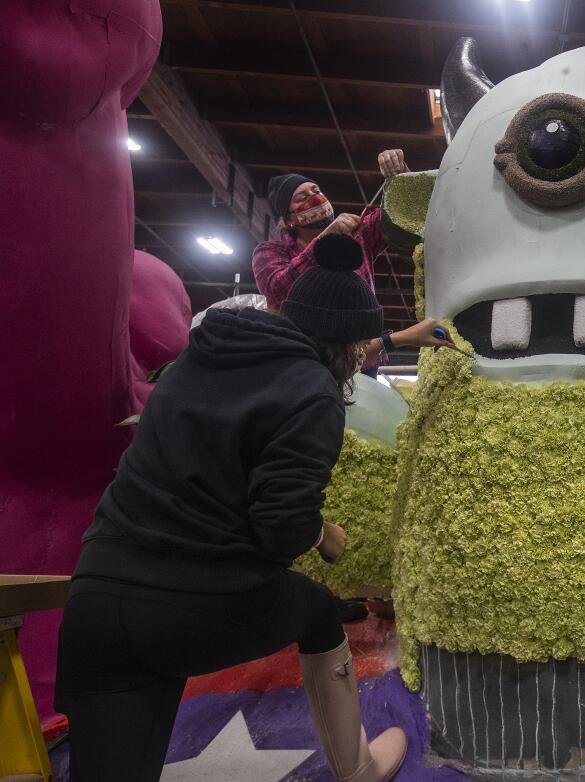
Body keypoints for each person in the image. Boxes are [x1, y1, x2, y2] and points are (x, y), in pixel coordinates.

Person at [55, 234, 432, 782]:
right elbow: (279, 525)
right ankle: (359, 767)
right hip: (197, 601)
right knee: (317, 609)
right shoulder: (313, 391)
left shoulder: (201, 357)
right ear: (343, 348)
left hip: (96, 597)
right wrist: (321, 533)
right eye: (356, 350)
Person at [254, 149, 453, 375]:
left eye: (316, 190)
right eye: (303, 198)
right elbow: (277, 289)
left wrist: (400, 177)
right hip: (303, 360)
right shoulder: (270, 251)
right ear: (288, 219)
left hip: (363, 356)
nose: (315, 197)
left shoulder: (359, 234)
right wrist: (324, 240)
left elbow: (400, 217)